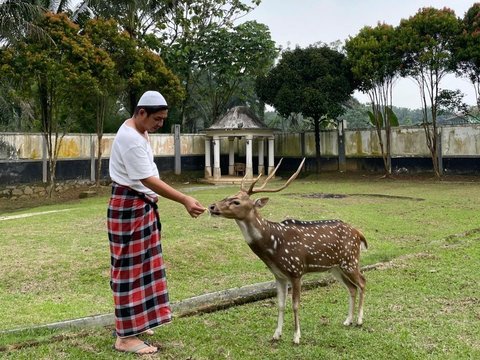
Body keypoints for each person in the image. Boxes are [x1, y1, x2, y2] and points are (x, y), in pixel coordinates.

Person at [107, 90, 205, 355]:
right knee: (129, 269)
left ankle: (138, 320)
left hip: (141, 207)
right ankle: (125, 337)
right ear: (141, 113)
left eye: (163, 119)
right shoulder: (130, 139)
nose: (160, 124)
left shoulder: (138, 131)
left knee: (145, 266)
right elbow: (149, 180)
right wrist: (184, 198)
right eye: (157, 119)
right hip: (130, 208)